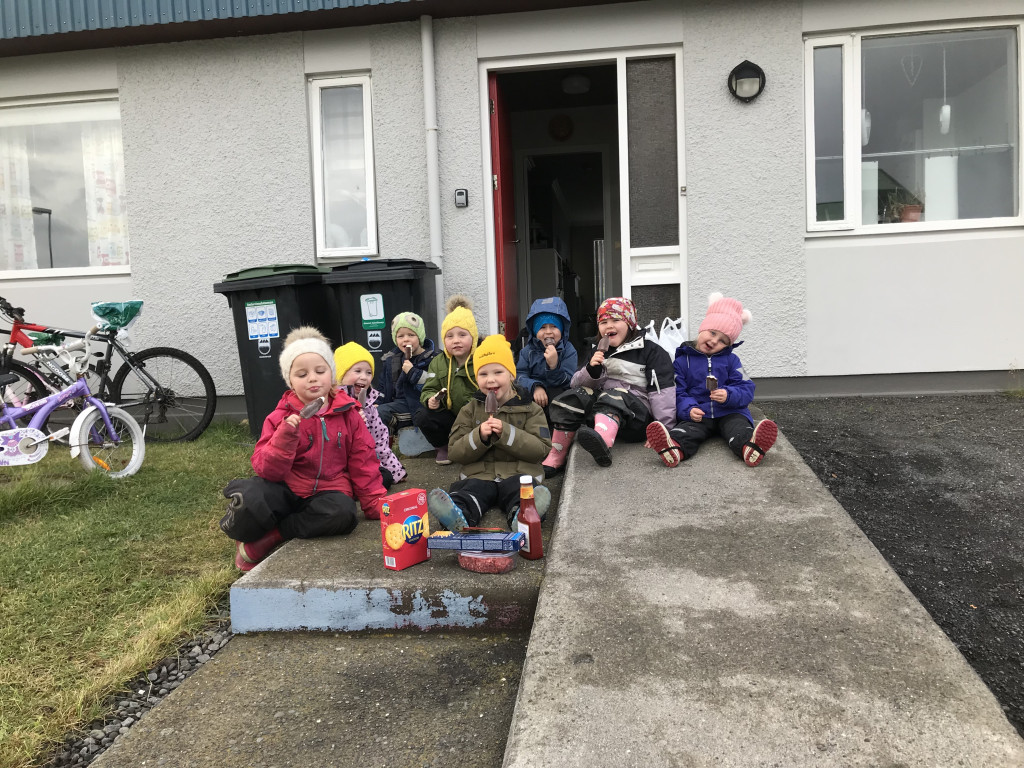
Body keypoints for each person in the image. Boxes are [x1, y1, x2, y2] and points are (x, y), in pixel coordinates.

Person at [219, 327, 387, 572]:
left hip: (328, 490)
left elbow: (363, 462)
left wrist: (373, 503)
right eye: (302, 374)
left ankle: (275, 534)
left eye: (320, 371)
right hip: (287, 487)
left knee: (343, 514)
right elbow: (266, 470)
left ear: (332, 374)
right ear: (290, 380)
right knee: (251, 498)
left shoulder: (349, 414)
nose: (312, 378)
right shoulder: (279, 416)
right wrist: (284, 438)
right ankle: (250, 532)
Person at [426, 334, 553, 531]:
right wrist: (479, 436)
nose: (490, 379)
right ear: (476, 378)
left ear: (511, 375)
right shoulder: (469, 410)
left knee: (523, 491)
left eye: (498, 372)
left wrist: (506, 433)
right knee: (469, 491)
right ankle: (458, 515)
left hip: (518, 473)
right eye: (483, 374)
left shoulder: (531, 409)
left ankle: (524, 517)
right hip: (479, 475)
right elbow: (455, 451)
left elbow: (541, 449)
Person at [541, 296, 676, 475]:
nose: (609, 326)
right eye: (603, 322)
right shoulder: (597, 351)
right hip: (601, 416)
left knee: (613, 395)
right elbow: (575, 384)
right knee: (573, 397)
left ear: (630, 323)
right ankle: (557, 453)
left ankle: (601, 443)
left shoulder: (650, 351)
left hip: (637, 420)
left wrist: (663, 429)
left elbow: (661, 392)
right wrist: (592, 370)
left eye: (616, 320)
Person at [644, 292, 778, 468]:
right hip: (700, 413)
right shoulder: (682, 361)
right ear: (702, 329)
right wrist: (689, 409)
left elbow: (746, 388)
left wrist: (729, 395)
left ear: (728, 345)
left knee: (739, 429)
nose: (714, 341)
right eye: (712, 332)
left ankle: (750, 447)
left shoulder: (732, 361)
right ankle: (673, 449)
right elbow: (678, 392)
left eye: (722, 341)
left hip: (730, 412)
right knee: (686, 431)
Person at [415, 295, 480, 465]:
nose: (456, 340)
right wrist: (430, 399)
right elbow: (428, 388)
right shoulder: (437, 362)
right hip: (450, 417)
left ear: (473, 337)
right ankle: (444, 447)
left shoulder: (481, 359)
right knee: (422, 416)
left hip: (476, 417)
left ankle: (479, 448)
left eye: (462, 334)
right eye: (449, 336)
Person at [334, 341, 407, 490]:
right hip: (338, 467)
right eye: (357, 371)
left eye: (368, 372)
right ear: (341, 374)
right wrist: (351, 423)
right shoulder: (332, 404)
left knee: (385, 477)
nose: (364, 377)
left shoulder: (369, 406)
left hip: (365, 464)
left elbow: (380, 441)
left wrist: (396, 471)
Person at [375, 311, 438, 438]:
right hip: (396, 405)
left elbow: (434, 383)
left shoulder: (433, 358)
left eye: (411, 335)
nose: (406, 339)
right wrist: (377, 402)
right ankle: (385, 444)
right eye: (400, 336)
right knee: (373, 412)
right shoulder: (391, 360)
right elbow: (383, 388)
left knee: (381, 412)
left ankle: (388, 442)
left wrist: (413, 372)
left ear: (420, 336)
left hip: (418, 406)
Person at [515, 296, 578, 422]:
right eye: (542, 327)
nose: (548, 332)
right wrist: (535, 387)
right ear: (534, 331)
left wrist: (554, 366)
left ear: (562, 330)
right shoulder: (527, 351)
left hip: (558, 398)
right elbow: (519, 376)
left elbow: (569, 381)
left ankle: (561, 429)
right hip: (533, 397)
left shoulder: (569, 351)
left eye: (554, 326)